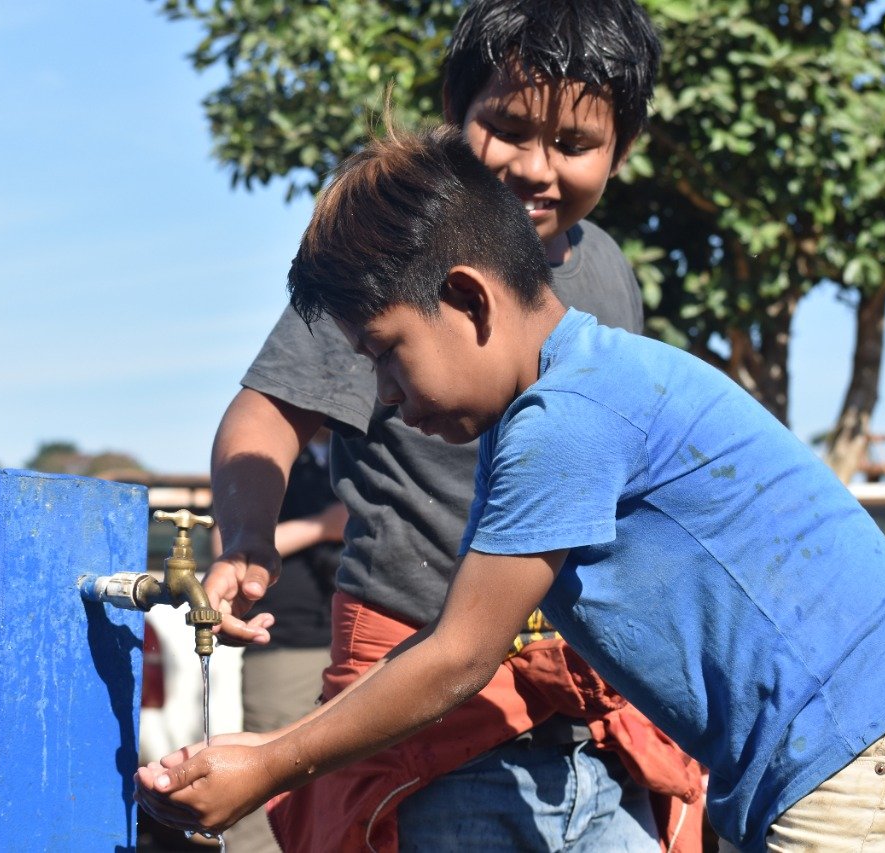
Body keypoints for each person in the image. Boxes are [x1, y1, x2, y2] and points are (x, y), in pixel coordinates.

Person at [137, 124, 885, 852]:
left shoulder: (565, 418)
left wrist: (275, 765)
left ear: (468, 299)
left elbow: (460, 659)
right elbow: (451, 635)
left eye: (387, 354)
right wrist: (273, 741)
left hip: (869, 734)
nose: (386, 399)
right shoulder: (556, 400)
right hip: (864, 729)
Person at [157, 1, 707, 850]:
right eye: (509, 127)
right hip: (415, 689)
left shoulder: (608, 274)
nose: (534, 167)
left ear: (621, 151)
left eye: (572, 144)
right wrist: (247, 536)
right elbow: (267, 411)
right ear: (456, 117)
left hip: (585, 709)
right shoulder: (398, 257)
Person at [222, 431, 347, 852]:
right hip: (286, 645)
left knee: (346, 786)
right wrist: (321, 528)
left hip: (357, 639)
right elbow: (227, 547)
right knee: (268, 786)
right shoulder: (267, 456)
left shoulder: (355, 450)